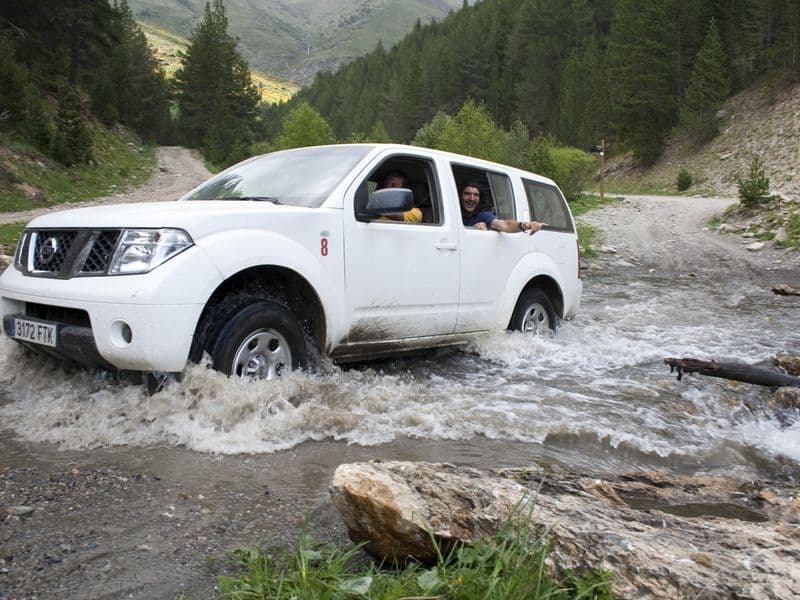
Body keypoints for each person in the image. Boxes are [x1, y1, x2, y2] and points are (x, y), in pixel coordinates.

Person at [459, 181, 544, 234]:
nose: (472, 198)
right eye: (467, 194)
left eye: (476, 195)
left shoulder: (483, 216)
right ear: (459, 196)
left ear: (480, 199)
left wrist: (525, 225)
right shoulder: (450, 212)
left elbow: (505, 225)